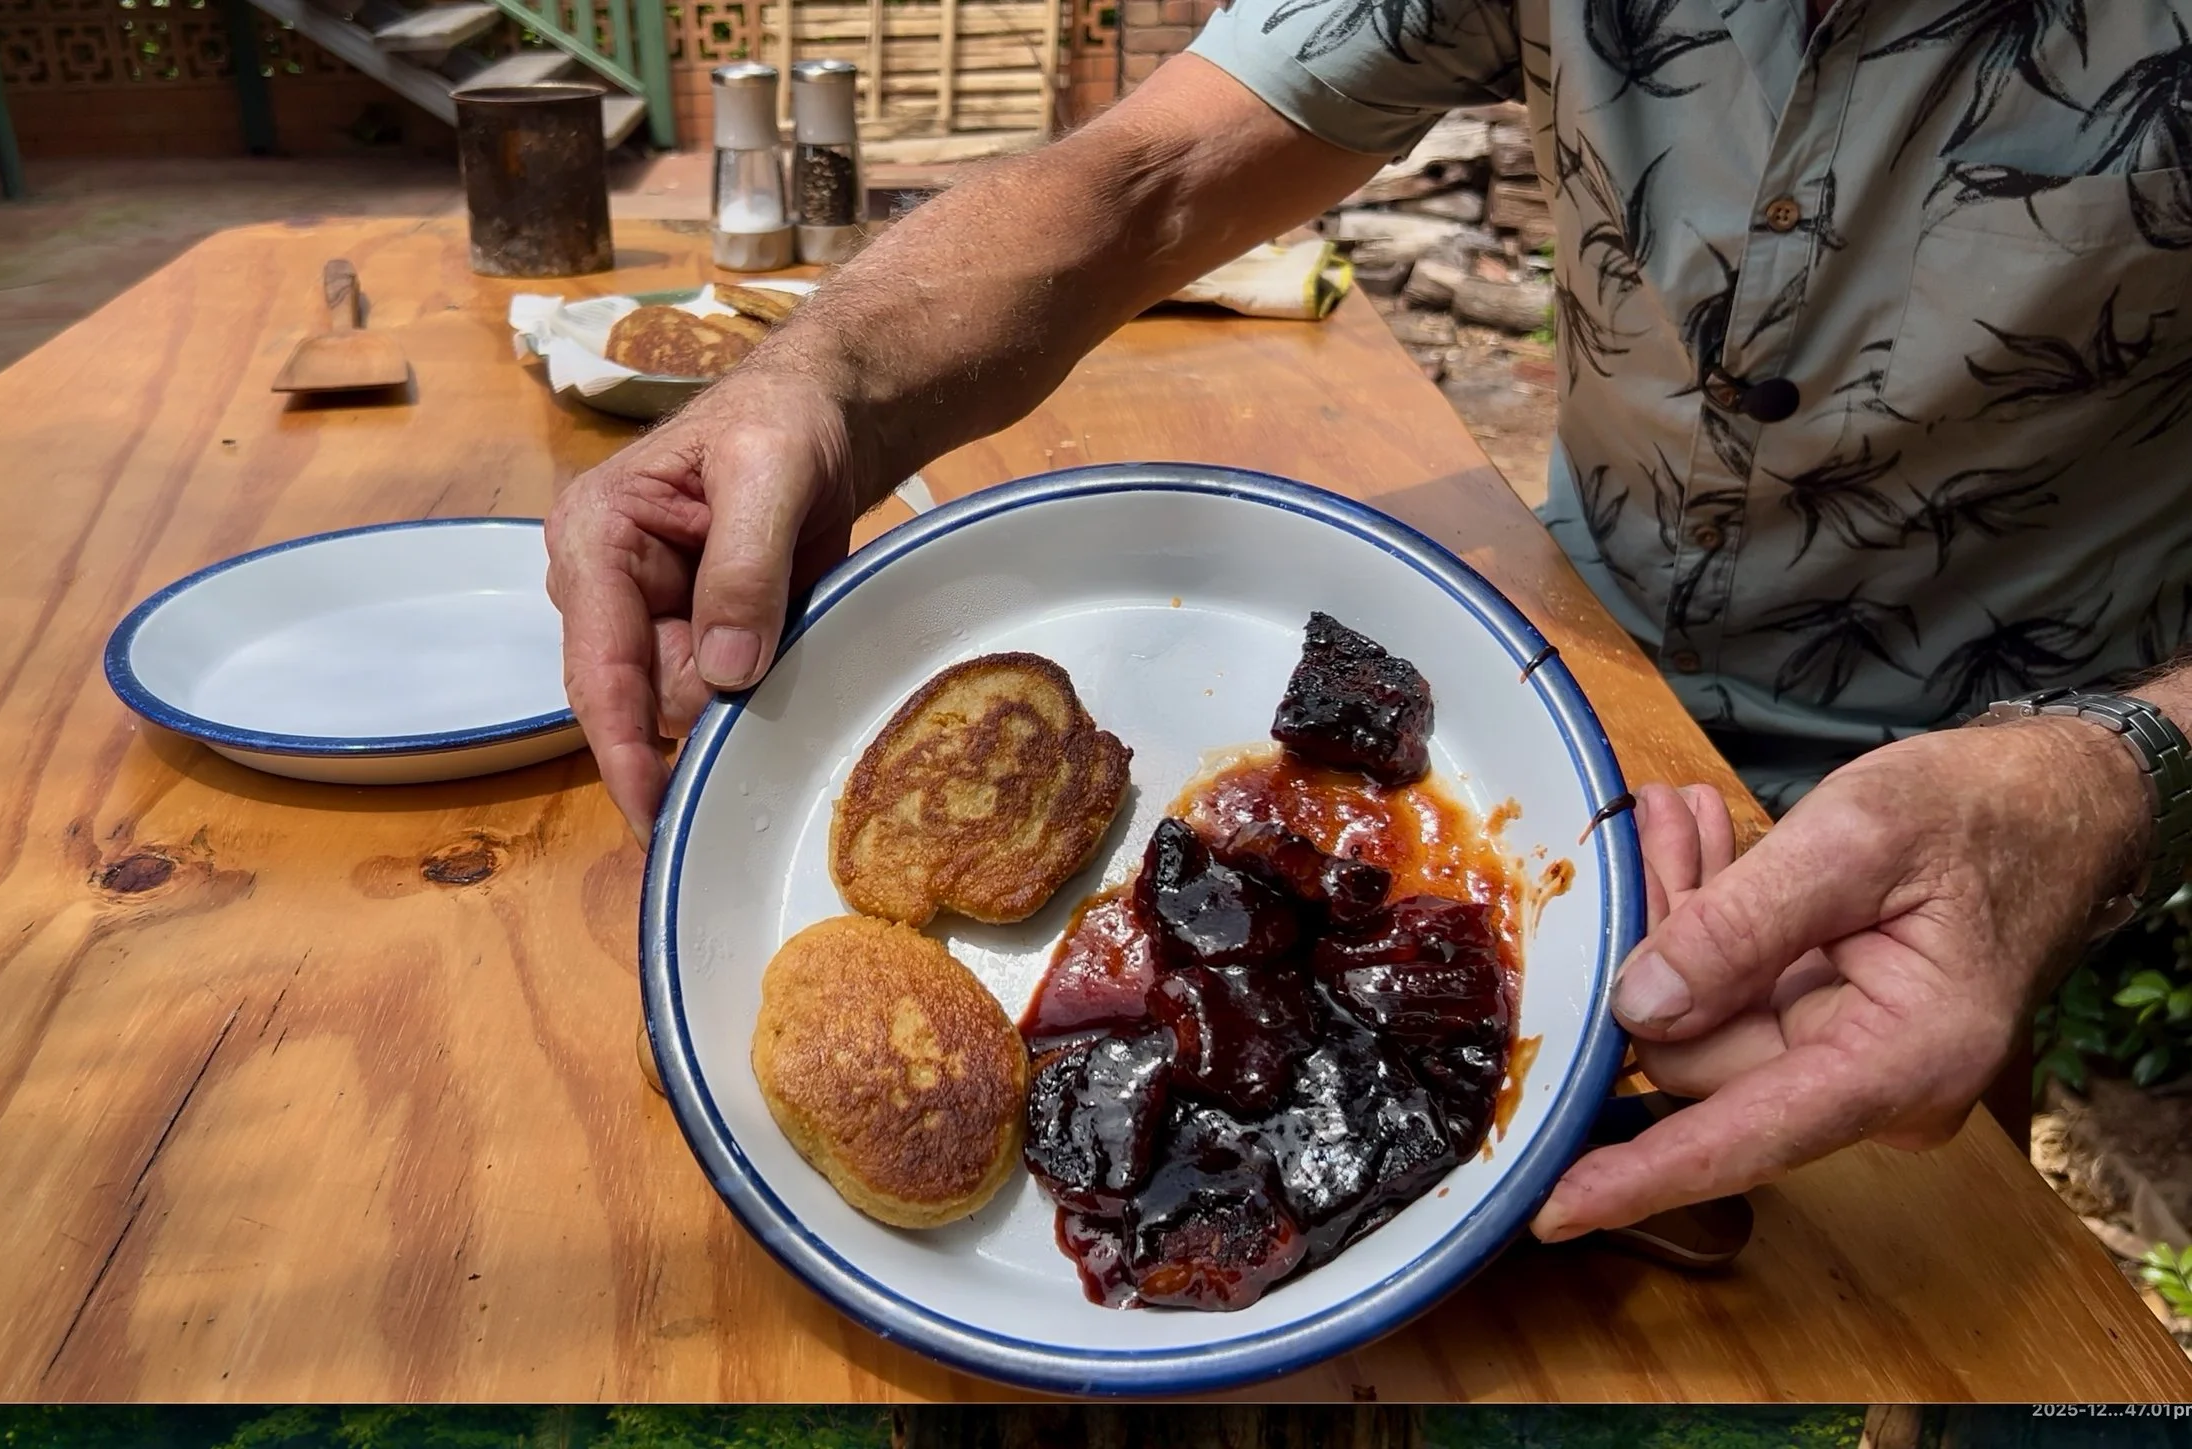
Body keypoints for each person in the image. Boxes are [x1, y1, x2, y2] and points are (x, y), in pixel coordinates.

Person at [545, 1, 2192, 1242]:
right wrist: (818, 375)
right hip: (1552, 658)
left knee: (1885, 1307)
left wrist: (2107, 782)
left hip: (2009, 806)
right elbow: (1159, 165)